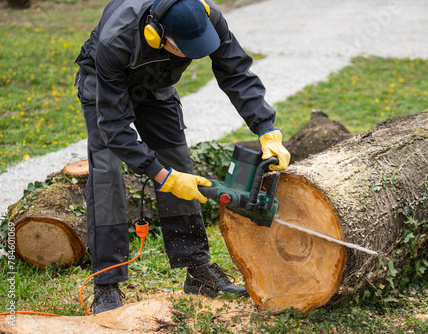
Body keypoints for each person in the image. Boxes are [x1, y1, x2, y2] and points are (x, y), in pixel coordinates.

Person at [75, 0, 290, 314]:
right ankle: (106, 284)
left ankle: (198, 270)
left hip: (156, 85)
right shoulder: (116, 39)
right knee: (106, 172)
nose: (193, 55)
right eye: (186, 48)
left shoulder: (207, 16)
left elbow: (236, 73)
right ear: (156, 35)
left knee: (180, 161)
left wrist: (266, 129)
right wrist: (162, 176)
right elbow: (114, 127)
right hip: (104, 84)